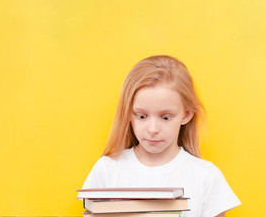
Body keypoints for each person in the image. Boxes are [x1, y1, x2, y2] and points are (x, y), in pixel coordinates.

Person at [80, 55, 241, 217]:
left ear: (186, 114)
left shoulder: (206, 176)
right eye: (141, 116)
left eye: (165, 117)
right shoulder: (107, 169)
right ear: (128, 113)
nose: (153, 129)